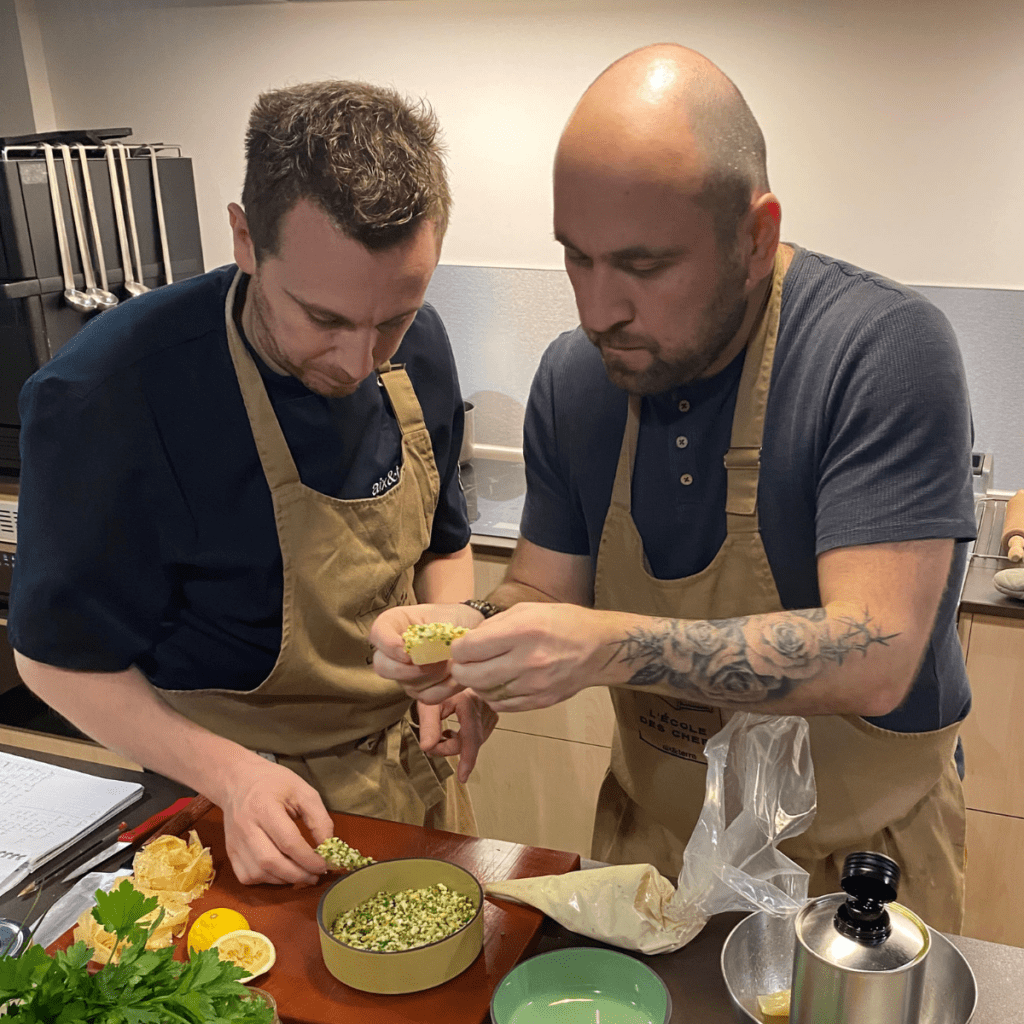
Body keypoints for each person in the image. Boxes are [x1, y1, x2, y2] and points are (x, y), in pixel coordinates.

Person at [370, 44, 976, 932]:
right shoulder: (577, 379)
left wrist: (607, 647)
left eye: (644, 267)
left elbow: (874, 652)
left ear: (756, 236)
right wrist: (472, 645)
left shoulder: (879, 353)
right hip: (652, 852)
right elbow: (542, 587)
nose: (597, 308)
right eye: (576, 258)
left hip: (855, 879)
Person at [10, 81, 497, 887]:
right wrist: (232, 776)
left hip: (407, 786)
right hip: (222, 803)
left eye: (397, 316)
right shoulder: (108, 395)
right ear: (244, 237)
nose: (360, 359)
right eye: (325, 320)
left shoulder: (424, 348)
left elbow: (446, 543)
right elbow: (55, 659)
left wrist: (451, 659)